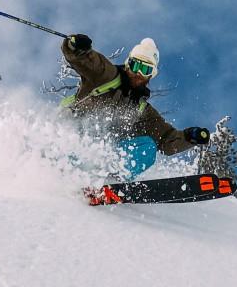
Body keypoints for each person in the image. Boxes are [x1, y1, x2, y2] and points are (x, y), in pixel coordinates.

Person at [60, 33, 209, 178]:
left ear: (151, 74)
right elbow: (88, 61)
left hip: (101, 158)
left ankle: (112, 180)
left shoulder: (142, 110)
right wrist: (76, 47)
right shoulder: (106, 76)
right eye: (135, 65)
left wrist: (189, 137)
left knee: (147, 146)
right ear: (127, 64)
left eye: (145, 69)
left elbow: (166, 139)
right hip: (73, 142)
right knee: (85, 133)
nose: (138, 72)